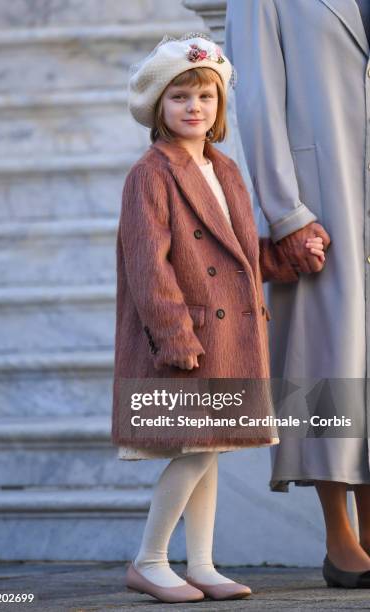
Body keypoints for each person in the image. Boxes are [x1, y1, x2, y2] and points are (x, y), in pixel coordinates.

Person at [111, 33, 324, 604]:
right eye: (180, 96)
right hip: (187, 338)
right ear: (159, 106)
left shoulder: (223, 168)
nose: (194, 107)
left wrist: (288, 257)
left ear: (220, 107)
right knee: (198, 448)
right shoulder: (150, 174)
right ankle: (150, 560)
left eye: (206, 96)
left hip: (229, 336)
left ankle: (201, 563)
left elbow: (236, 254)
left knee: (213, 448)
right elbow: (146, 265)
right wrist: (174, 336)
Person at [225, 0, 370, 589]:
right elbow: (256, 97)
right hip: (323, 198)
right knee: (326, 367)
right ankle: (341, 536)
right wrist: (286, 214)